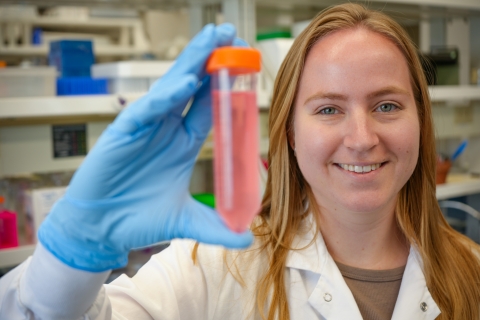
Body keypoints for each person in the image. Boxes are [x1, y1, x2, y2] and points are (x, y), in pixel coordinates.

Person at [1, 3, 479, 319]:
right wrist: (72, 255)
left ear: (421, 121)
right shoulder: (214, 268)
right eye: (329, 109)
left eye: (387, 106)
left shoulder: (471, 269)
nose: (361, 138)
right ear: (290, 132)